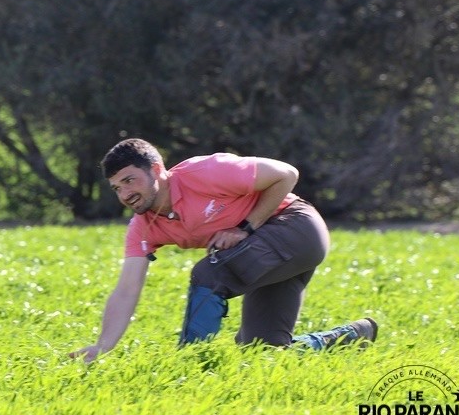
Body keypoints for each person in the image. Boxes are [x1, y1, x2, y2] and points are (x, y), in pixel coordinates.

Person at [70, 138, 377, 363]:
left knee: (209, 273)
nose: (125, 194)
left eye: (129, 181)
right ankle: (351, 335)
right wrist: (103, 346)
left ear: (156, 170)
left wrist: (246, 227)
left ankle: (191, 364)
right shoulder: (142, 226)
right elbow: (126, 289)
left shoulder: (205, 172)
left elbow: (286, 173)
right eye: (116, 188)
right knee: (262, 353)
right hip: (266, 258)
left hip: (297, 229)